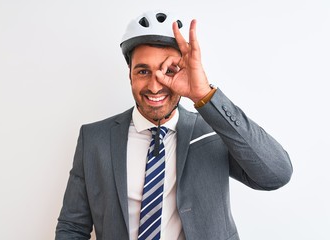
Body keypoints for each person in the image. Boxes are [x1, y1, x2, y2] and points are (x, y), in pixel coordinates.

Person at [55, 10, 293, 240]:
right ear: (130, 75)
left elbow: (276, 174)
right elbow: (72, 227)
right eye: (143, 71)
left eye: (169, 70)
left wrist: (204, 94)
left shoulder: (213, 130)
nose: (155, 85)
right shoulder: (94, 139)